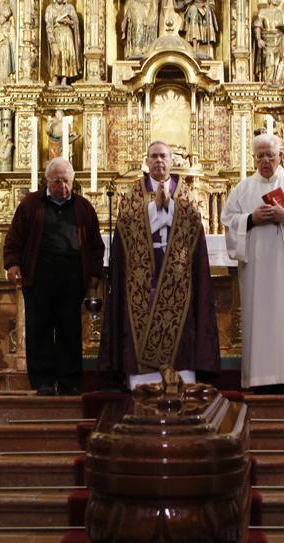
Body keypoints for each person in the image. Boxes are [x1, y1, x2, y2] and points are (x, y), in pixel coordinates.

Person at [99, 141, 220, 390]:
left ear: (172, 160)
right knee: (140, 318)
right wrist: (156, 207)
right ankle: (143, 379)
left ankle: (182, 375)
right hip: (142, 274)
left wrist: (171, 206)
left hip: (178, 273)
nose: (159, 161)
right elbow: (128, 227)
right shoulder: (134, 193)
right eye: (153, 156)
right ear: (147, 160)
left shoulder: (185, 193)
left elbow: (193, 225)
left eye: (163, 156)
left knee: (181, 321)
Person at [221, 133, 284, 394]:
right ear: (254, 158)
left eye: (270, 155)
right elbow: (228, 220)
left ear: (280, 156)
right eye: (260, 156)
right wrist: (251, 219)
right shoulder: (243, 189)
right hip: (256, 267)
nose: (265, 161)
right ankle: (258, 378)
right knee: (258, 317)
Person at [3, 158, 104, 395]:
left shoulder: (83, 207)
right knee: (40, 329)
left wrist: (95, 273)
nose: (63, 186)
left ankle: (70, 380)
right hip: (39, 275)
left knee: (70, 330)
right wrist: (13, 264)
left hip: (72, 277)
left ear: (73, 180)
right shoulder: (30, 205)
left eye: (67, 181)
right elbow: (15, 237)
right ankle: (43, 381)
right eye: (57, 181)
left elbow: (96, 245)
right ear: (47, 181)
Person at [45, 0, 81, 87]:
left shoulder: (69, 8)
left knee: (67, 55)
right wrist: (52, 40)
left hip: (67, 34)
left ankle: (65, 79)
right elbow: (49, 25)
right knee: (57, 55)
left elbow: (75, 22)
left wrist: (68, 21)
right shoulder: (50, 8)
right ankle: (55, 78)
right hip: (56, 34)